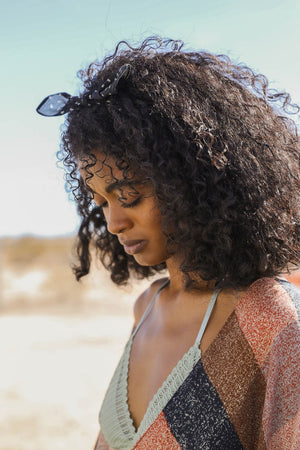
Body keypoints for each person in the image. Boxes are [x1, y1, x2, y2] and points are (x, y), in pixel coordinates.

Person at [36, 37, 300, 449]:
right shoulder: (146, 307)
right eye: (100, 202)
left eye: (128, 196)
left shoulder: (268, 317)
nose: (114, 222)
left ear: (191, 181)